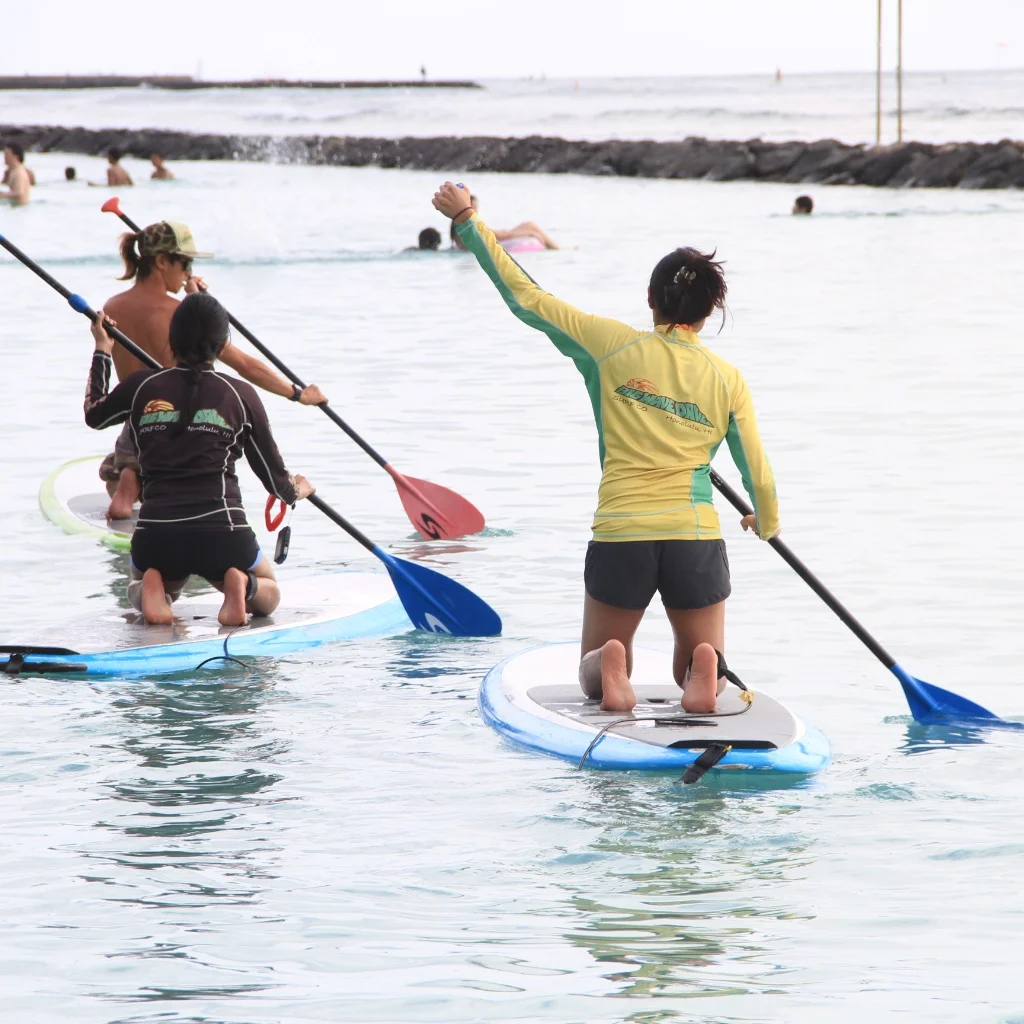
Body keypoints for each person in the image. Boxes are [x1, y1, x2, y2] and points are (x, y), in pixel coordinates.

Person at [433, 179, 780, 715]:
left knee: (591, 670)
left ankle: (612, 663)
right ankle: (703, 665)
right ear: (709, 311)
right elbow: (757, 468)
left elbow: (528, 298)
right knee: (694, 654)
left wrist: (468, 222)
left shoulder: (609, 344)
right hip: (694, 533)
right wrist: (767, 520)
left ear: (650, 300)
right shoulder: (727, 377)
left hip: (622, 531)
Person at [84, 294, 315, 627]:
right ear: (221, 346)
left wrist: (102, 349)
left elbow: (94, 413)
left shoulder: (142, 386)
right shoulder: (241, 395)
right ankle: (243, 586)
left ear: (172, 340)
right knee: (270, 592)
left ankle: (153, 589)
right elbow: (277, 482)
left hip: (157, 534)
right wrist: (298, 490)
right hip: (223, 531)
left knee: (143, 577)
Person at [99, 220, 327, 521]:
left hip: (140, 418)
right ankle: (131, 483)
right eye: (185, 263)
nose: (189, 272)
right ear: (162, 262)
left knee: (129, 455)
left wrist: (194, 301)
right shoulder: (176, 313)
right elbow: (245, 365)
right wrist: (297, 394)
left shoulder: (112, 306)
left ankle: (129, 480)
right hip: (176, 425)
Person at [449, 193, 558, 251]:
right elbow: (502, 236)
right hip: (488, 248)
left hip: (485, 245)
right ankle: (557, 249)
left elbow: (497, 234)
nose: (476, 210)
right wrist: (532, 234)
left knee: (528, 225)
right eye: (474, 207)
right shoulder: (470, 223)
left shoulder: (458, 222)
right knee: (530, 226)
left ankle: (557, 248)